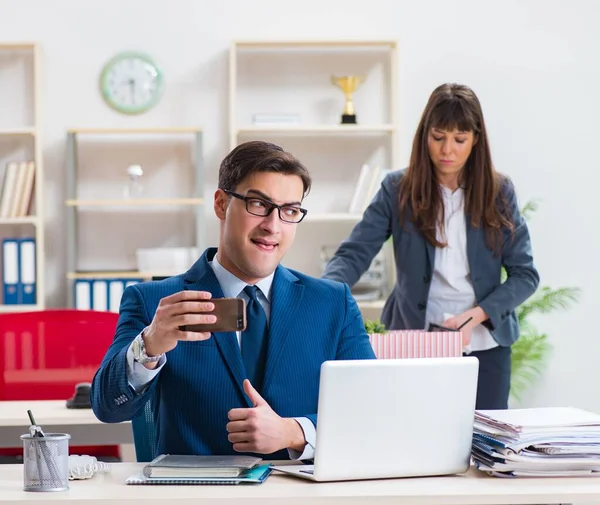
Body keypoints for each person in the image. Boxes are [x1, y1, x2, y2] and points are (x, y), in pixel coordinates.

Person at [90, 140, 375, 460]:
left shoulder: (332, 303)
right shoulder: (153, 301)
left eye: (289, 211)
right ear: (221, 204)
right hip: (199, 494)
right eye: (258, 204)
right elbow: (107, 407)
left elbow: (371, 410)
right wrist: (150, 344)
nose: (272, 225)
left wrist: (292, 432)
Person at [322, 83, 539, 410]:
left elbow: (525, 275)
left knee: (484, 447)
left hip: (485, 346)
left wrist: (479, 314)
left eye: (459, 140)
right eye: (438, 137)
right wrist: (321, 296)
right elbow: (355, 253)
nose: (447, 150)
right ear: (425, 135)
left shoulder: (499, 191)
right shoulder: (397, 189)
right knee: (413, 438)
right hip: (414, 342)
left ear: (476, 139)